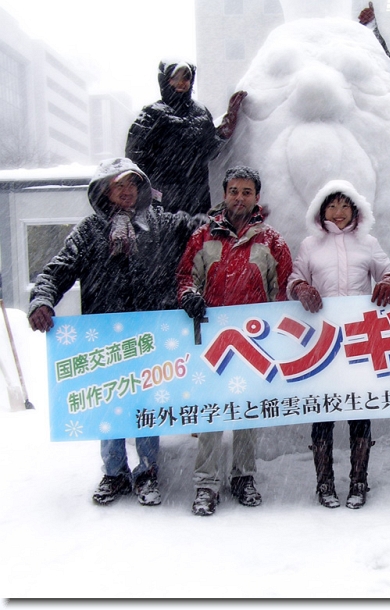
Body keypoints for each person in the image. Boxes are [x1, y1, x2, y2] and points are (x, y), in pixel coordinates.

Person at [28, 157, 206, 507]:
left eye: (132, 184)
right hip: (105, 337)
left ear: (142, 188)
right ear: (104, 191)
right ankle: (114, 474)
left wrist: (221, 216)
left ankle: (148, 472)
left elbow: (197, 227)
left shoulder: (160, 223)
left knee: (145, 404)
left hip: (150, 334)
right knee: (108, 404)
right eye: (117, 185)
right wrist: (41, 300)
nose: (126, 191)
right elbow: (57, 271)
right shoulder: (89, 231)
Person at [177, 166, 293, 516]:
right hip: (212, 339)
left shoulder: (271, 240)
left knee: (247, 410)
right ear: (224, 194)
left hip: (255, 341)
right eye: (233, 191)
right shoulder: (202, 237)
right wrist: (189, 296)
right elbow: (186, 276)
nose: (239, 197)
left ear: (257, 197)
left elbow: (284, 286)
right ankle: (205, 483)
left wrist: (277, 328)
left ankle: (244, 477)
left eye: (246, 191)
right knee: (211, 411)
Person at [288, 180, 390, 510]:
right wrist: (301, 290)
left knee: (359, 409)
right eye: (331, 206)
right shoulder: (311, 244)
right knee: (323, 411)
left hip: (358, 338)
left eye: (345, 206)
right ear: (321, 211)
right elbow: (294, 278)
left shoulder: (367, 242)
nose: (338, 213)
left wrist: (389, 283)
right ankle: (324, 483)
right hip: (322, 340)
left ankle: (358, 480)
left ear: (355, 210)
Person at [126, 59, 247, 215]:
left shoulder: (200, 113)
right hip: (163, 200)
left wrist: (227, 125)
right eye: (175, 78)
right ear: (164, 80)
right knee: (168, 238)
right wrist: (150, 193)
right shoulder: (151, 115)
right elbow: (134, 157)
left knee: (197, 237)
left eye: (186, 78)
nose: (181, 83)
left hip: (197, 198)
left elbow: (208, 151)